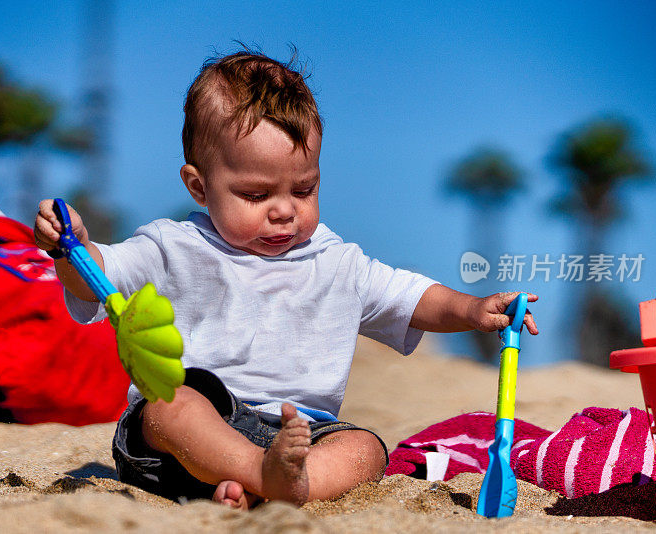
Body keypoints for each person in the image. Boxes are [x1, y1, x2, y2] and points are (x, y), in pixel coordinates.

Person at [34, 50, 538, 510]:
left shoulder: (336, 262)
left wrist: (473, 310)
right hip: (189, 435)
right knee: (169, 408)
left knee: (365, 449)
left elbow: (413, 298)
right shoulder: (172, 246)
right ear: (199, 187)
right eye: (255, 195)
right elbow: (98, 279)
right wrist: (70, 247)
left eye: (303, 189)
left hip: (303, 433)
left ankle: (270, 486)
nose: (283, 211)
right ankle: (259, 474)